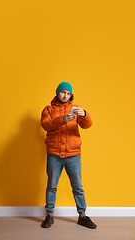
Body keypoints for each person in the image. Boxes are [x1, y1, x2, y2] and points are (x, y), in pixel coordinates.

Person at [40, 82, 97, 229]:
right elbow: (46, 125)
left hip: (73, 155)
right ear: (57, 93)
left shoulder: (75, 109)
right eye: (62, 92)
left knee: (77, 186)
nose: (65, 95)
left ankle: (82, 216)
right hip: (54, 154)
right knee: (52, 185)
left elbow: (87, 125)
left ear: (70, 95)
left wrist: (84, 114)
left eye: (68, 93)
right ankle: (49, 215)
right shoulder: (48, 109)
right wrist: (62, 120)